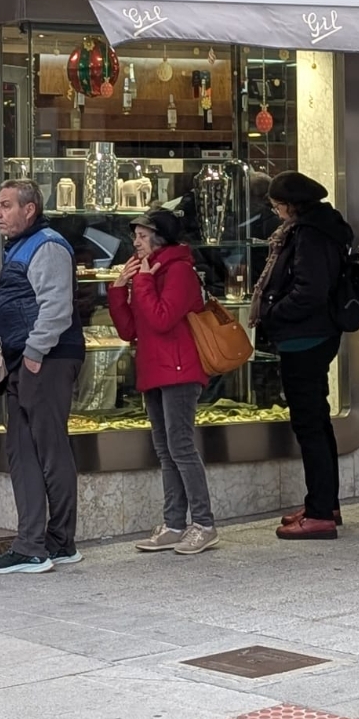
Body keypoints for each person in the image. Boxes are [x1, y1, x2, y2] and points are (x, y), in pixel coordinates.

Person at [0, 180, 84, 575]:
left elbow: (56, 309)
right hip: (28, 360)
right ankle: (42, 543)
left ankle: (49, 543)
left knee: (44, 449)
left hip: (44, 360)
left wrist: (32, 354)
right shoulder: (27, 246)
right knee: (25, 450)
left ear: (29, 210)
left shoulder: (48, 245)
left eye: (5, 205)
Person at [108, 208, 218, 555]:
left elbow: (162, 318)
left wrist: (140, 281)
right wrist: (118, 290)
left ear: (159, 238)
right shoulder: (148, 272)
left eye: (141, 236)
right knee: (166, 450)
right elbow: (129, 330)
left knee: (181, 446)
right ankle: (173, 523)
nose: (135, 242)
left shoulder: (179, 271)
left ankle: (204, 523)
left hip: (179, 370)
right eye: (135, 236)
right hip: (154, 370)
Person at [251, 172, 351, 541]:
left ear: (291, 205)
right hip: (313, 334)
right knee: (317, 422)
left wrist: (273, 314)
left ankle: (321, 512)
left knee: (309, 424)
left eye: (278, 206)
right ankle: (323, 501)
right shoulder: (322, 227)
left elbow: (310, 290)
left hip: (304, 337)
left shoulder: (310, 234)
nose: (276, 213)